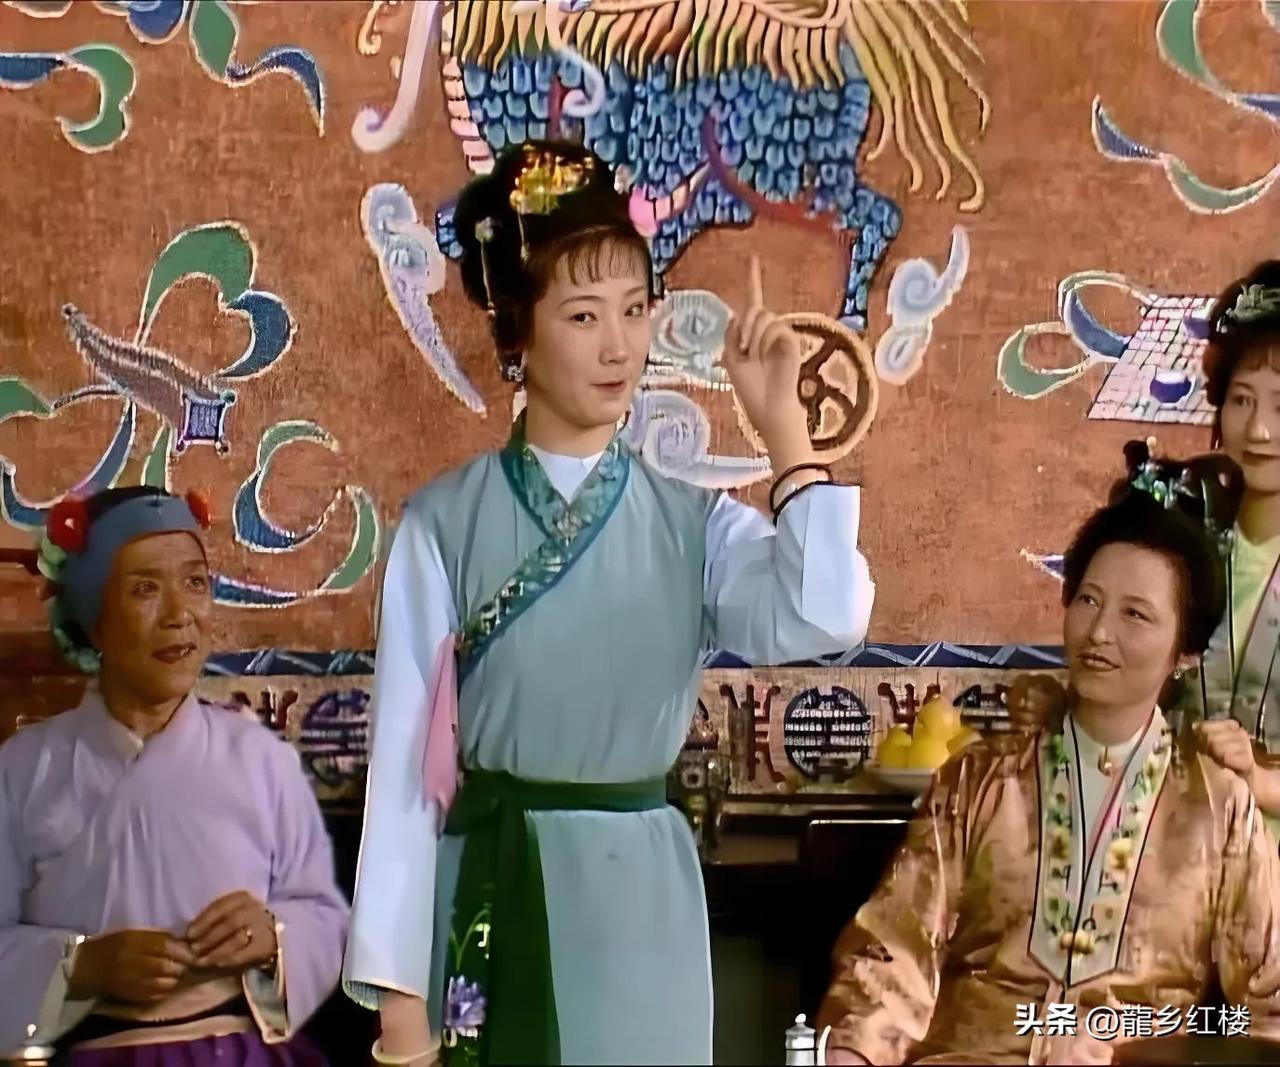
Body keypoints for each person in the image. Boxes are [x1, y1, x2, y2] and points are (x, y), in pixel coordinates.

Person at [342, 140, 876, 1066]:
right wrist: (401, 1005)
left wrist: (786, 436)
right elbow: (401, 775)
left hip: (642, 911)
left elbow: (827, 617)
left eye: (635, 309)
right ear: (517, 331)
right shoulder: (443, 523)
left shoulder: (695, 523)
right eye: (584, 315)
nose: (619, 345)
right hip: (492, 888)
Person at [817, 443, 1280, 1065]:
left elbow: (1266, 1012)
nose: (1100, 632)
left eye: (1136, 614)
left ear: (1186, 653)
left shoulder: (1219, 808)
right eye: (1088, 600)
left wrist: (1137, 1045)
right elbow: (894, 950)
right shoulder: (981, 780)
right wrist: (856, 1049)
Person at [0, 487, 349, 1065]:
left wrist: (272, 937)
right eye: (144, 589)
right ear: (93, 622)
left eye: (195, 583)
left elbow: (323, 914)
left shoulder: (260, 757)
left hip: (242, 1052)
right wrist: (81, 965)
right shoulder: (24, 769)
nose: (180, 614)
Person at [1173, 261, 1280, 817]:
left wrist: (1260, 783)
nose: (1259, 430)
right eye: (1241, 400)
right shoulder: (1183, 540)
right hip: (1172, 837)